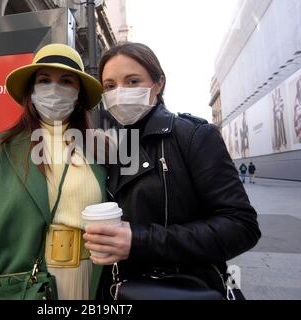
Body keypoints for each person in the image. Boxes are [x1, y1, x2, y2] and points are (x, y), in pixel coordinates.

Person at [83, 42, 261, 299]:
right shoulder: (118, 146)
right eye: (110, 86)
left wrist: (140, 240)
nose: (120, 92)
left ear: (159, 84)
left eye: (132, 81)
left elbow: (241, 226)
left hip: (183, 288)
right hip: (122, 291)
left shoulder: (193, 136)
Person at [0, 44, 107, 300]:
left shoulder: (99, 151)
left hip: (87, 283)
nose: (54, 89)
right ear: (31, 90)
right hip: (23, 289)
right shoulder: (1, 149)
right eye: (44, 80)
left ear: (79, 93)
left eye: (66, 81)